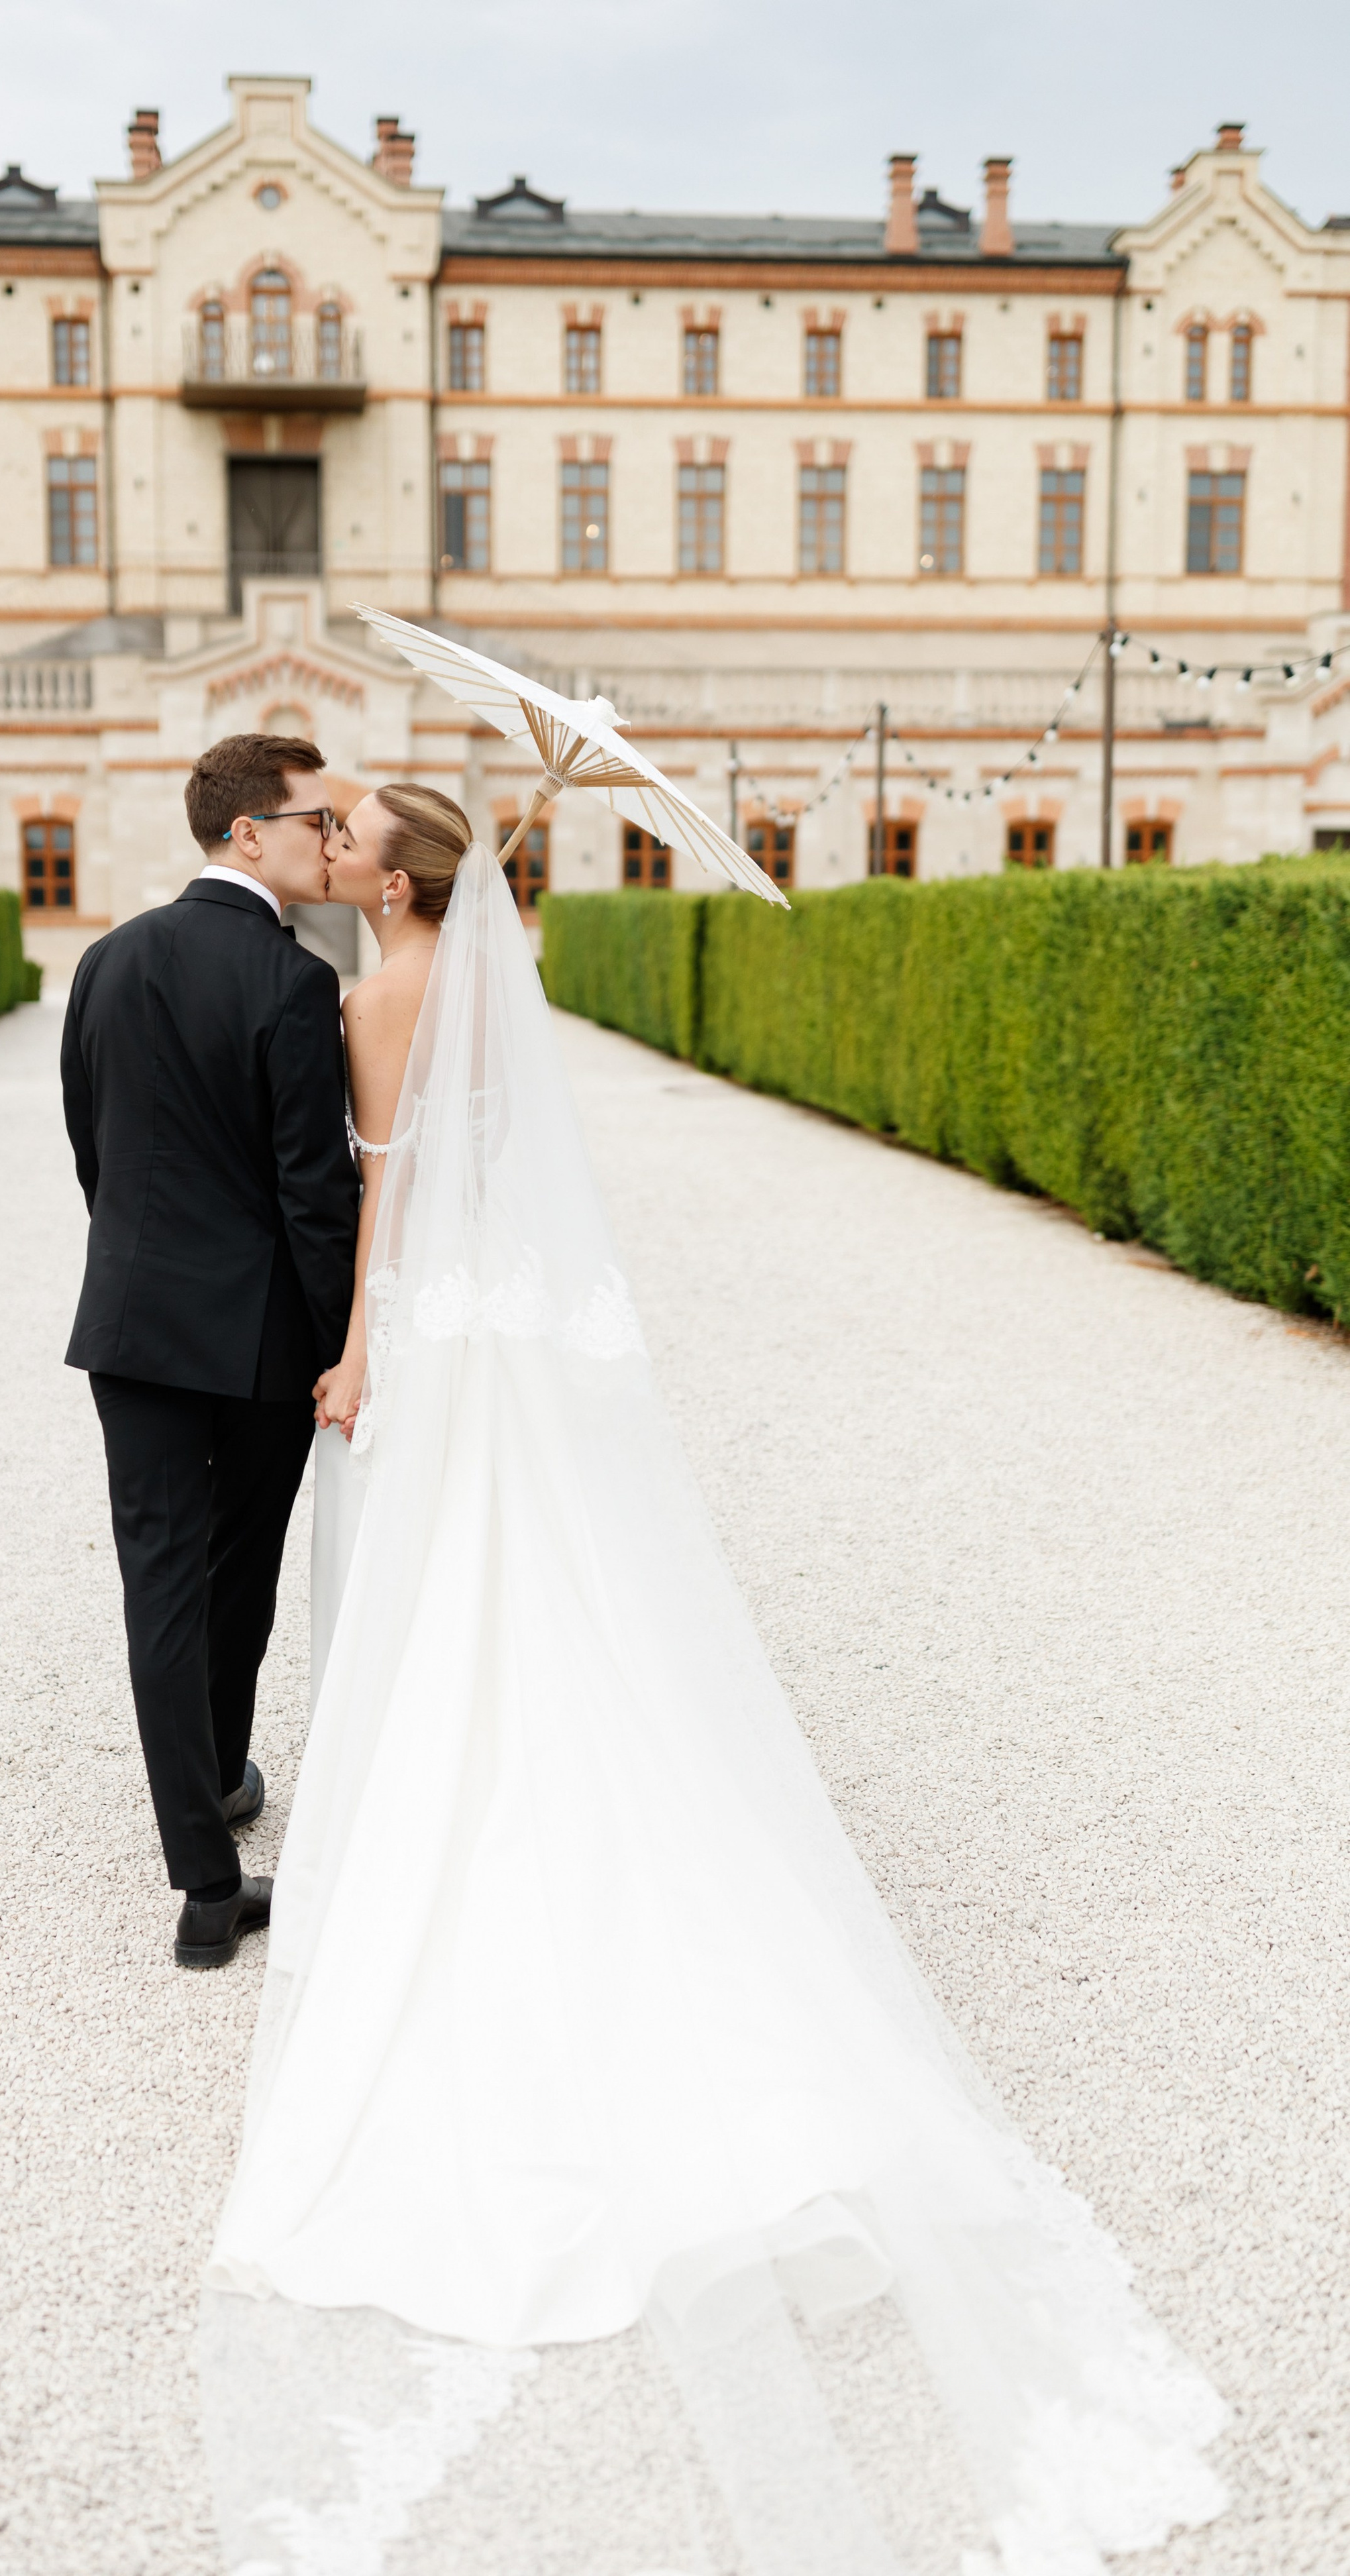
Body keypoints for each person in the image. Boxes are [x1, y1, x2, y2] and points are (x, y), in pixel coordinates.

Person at [199, 787, 1230, 2576]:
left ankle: (457, 1860)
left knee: (439, 1608)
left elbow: (387, 1198)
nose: (333, 838)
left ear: (397, 873)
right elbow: (499, 1173)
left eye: (356, 828)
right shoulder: (481, 987)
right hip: (518, 1334)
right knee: (550, 1608)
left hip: (440, 1346)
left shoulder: (376, 998)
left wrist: (359, 1352)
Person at [60, 734, 358, 1971]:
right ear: (249, 833)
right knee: (238, 1571)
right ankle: (221, 1785)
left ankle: (206, 1870)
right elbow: (312, 1197)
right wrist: (350, 1339)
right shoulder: (292, 985)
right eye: (315, 820)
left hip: (132, 1324)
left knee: (159, 1581)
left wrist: (138, 1268)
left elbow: (93, 1141)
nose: (329, 840)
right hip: (257, 1342)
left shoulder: (107, 958)